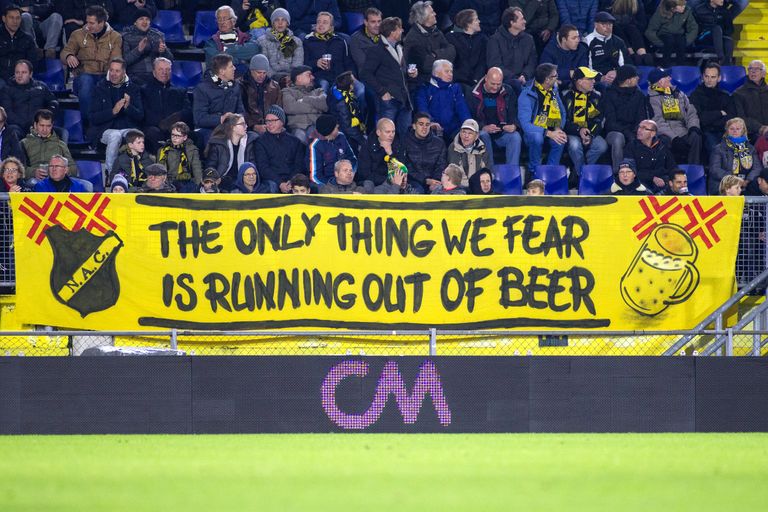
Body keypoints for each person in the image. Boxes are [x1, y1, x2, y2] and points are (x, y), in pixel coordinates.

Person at [61, 5, 122, 128]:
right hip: (84, 75)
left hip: (105, 75)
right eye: (87, 21)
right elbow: (65, 52)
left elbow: (116, 60)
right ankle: (88, 123)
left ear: (102, 23)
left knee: (109, 84)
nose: (88, 25)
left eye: (92, 23)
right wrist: (69, 56)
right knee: (86, 81)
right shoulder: (77, 34)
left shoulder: (115, 37)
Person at [360, 16, 417, 137]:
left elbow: (399, 72)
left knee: (405, 135)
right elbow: (365, 73)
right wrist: (382, 92)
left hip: (404, 99)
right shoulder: (376, 50)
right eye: (399, 28)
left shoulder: (400, 48)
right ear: (392, 32)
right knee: (385, 135)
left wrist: (410, 74)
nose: (402, 31)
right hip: (389, 101)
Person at [89, 57, 144, 174]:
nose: (113, 74)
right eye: (111, 70)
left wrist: (127, 107)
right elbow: (93, 118)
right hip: (105, 130)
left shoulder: (133, 89)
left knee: (136, 135)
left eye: (117, 71)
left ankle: (137, 174)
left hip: (127, 128)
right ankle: (110, 174)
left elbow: (140, 116)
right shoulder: (100, 88)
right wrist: (113, 111)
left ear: (124, 72)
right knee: (115, 135)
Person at [518, 63, 567, 176]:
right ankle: (533, 172)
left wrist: (558, 128)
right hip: (532, 132)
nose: (557, 77)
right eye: (555, 76)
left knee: (560, 138)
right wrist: (547, 132)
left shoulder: (553, 90)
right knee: (537, 137)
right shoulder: (527, 94)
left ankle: (550, 172)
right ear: (547, 80)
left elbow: (562, 112)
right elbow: (525, 125)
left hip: (550, 127)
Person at [467, 67, 521, 167]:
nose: (495, 87)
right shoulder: (472, 93)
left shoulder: (508, 91)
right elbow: (469, 119)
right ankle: (490, 172)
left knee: (515, 137)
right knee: (483, 134)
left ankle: (512, 174)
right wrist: (483, 127)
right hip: (482, 133)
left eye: (498, 84)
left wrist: (514, 125)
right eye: (493, 84)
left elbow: (515, 112)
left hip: (502, 133)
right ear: (486, 79)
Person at [647, 67, 702, 165]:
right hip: (666, 134)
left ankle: (693, 168)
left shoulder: (678, 93)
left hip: (683, 130)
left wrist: (693, 127)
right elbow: (658, 122)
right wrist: (674, 138)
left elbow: (691, 112)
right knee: (664, 141)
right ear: (659, 82)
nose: (670, 78)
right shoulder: (652, 99)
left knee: (696, 136)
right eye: (666, 77)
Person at [602, 65, 651, 169]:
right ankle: (618, 172)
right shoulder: (609, 94)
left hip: (633, 130)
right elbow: (610, 122)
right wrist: (626, 132)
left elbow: (641, 118)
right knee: (618, 139)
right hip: (614, 131)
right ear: (628, 81)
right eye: (635, 76)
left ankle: (644, 173)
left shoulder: (639, 95)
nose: (638, 78)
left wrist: (636, 132)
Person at [562, 66, 608, 176]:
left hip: (590, 132)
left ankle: (579, 173)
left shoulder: (598, 96)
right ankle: (583, 176)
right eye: (590, 79)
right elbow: (563, 120)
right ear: (579, 81)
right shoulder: (564, 95)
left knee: (601, 146)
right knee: (574, 145)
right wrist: (579, 130)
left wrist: (589, 134)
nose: (594, 81)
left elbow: (600, 120)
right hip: (571, 132)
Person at [140, 57, 193, 153]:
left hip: (176, 128)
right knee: (153, 133)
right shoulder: (144, 90)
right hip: (154, 128)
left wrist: (172, 121)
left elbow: (187, 111)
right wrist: (161, 124)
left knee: (196, 136)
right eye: (160, 69)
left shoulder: (180, 90)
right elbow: (144, 113)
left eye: (167, 69)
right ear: (154, 72)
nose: (164, 72)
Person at [0, 60, 57, 141]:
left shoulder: (41, 87)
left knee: (61, 132)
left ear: (30, 74)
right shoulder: (7, 89)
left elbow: (53, 102)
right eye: (17, 72)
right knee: (12, 131)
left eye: (23, 72)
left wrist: (45, 118)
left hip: (39, 126)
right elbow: (7, 113)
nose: (20, 75)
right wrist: (27, 124)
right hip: (18, 127)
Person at [690, 62, 737, 160]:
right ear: (703, 77)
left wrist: (712, 119)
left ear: (719, 78)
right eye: (707, 76)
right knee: (716, 150)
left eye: (713, 77)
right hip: (706, 132)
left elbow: (732, 117)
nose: (709, 80)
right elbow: (700, 118)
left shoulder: (725, 95)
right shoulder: (696, 95)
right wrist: (720, 113)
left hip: (725, 131)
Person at [414, 59, 471, 141]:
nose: (450, 74)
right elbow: (422, 109)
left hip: (454, 129)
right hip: (433, 129)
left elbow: (462, 109)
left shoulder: (456, 88)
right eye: (447, 71)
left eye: (451, 72)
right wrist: (430, 122)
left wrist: (468, 125)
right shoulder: (425, 88)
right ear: (436, 73)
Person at [254, 105, 306, 193]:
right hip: (272, 180)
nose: (269, 124)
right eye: (267, 121)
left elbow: (298, 165)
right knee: (271, 186)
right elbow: (263, 167)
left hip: (292, 179)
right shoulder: (260, 141)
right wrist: (280, 183)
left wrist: (291, 181)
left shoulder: (295, 141)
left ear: (282, 122)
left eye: (273, 120)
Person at [403, 1, 456, 87]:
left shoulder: (436, 31)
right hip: (425, 84)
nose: (435, 14)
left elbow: (452, 50)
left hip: (442, 79)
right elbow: (426, 65)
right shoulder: (413, 38)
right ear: (423, 17)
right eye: (432, 12)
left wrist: (435, 55)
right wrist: (443, 57)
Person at [302, 12, 355, 94]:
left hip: (340, 77)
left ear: (331, 27)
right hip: (319, 77)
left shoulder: (340, 41)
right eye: (319, 22)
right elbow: (304, 64)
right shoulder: (308, 41)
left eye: (325, 22)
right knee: (324, 85)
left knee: (360, 88)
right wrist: (316, 63)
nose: (321, 24)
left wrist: (352, 75)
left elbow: (348, 62)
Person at [204, 113, 259, 192]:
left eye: (245, 124)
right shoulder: (218, 145)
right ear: (232, 127)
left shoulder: (249, 143)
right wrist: (213, 179)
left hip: (243, 181)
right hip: (222, 181)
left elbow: (252, 166)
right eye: (242, 124)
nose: (246, 126)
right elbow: (210, 167)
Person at [193, 53, 246, 131]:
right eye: (231, 67)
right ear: (222, 71)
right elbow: (199, 118)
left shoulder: (235, 87)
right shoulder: (202, 89)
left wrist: (237, 117)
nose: (234, 68)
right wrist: (221, 119)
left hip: (231, 128)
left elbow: (241, 111)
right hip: (209, 129)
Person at [120, 7, 173, 85]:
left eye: (147, 19)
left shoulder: (157, 35)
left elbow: (170, 60)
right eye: (141, 19)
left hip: (155, 75)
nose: (145, 22)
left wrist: (164, 51)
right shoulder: (126, 37)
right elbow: (124, 62)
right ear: (135, 22)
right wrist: (138, 50)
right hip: (135, 76)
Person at [709, 117, 761, 194]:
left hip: (745, 184)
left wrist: (747, 180)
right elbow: (714, 169)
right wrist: (734, 180)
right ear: (727, 131)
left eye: (738, 129)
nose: (734, 131)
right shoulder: (719, 148)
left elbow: (757, 168)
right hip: (724, 184)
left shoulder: (750, 148)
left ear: (743, 131)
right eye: (731, 129)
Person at [486, 7, 536, 87]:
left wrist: (524, 75)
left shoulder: (529, 39)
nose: (525, 21)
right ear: (512, 22)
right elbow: (495, 65)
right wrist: (515, 78)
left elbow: (532, 62)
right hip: (504, 82)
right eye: (522, 19)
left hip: (526, 80)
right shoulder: (495, 40)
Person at [22, 109, 77, 179]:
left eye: (48, 126)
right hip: (36, 179)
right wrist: (33, 172)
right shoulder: (24, 143)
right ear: (35, 125)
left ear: (52, 126)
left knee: (88, 186)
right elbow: (18, 168)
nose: (45, 129)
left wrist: (63, 171)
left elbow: (73, 169)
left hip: (58, 179)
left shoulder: (60, 144)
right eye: (42, 125)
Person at [624, 119, 676, 192]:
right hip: (641, 182)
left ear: (653, 133)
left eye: (644, 128)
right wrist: (652, 178)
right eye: (639, 127)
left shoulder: (662, 147)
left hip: (662, 181)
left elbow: (672, 167)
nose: (639, 130)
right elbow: (629, 171)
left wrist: (666, 180)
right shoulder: (631, 147)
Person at [204, 5, 260, 73]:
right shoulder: (211, 42)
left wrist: (227, 50)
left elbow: (255, 49)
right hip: (220, 78)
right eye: (219, 19)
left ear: (233, 21)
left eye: (225, 19)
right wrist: (240, 60)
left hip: (243, 79)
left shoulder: (245, 37)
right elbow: (218, 62)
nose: (222, 22)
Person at [357, 117, 412, 186]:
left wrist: (390, 153)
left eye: (393, 131)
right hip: (374, 185)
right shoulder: (367, 146)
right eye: (388, 132)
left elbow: (402, 171)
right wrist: (388, 180)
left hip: (395, 184)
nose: (391, 135)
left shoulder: (398, 144)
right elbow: (364, 174)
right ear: (378, 132)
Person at [307, 113, 357, 186]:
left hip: (347, 179)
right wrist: (333, 185)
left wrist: (350, 173)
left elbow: (353, 159)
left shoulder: (341, 136)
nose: (338, 127)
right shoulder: (315, 146)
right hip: (328, 185)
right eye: (336, 127)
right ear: (330, 131)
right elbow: (315, 177)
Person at [645, 0, 698, 68]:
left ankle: (681, 68)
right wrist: (660, 43)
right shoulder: (661, 12)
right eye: (681, 6)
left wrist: (687, 41)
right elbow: (650, 31)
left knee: (681, 41)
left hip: (678, 36)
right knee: (669, 40)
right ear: (673, 7)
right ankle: (665, 67)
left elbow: (693, 28)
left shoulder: (687, 11)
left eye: (684, 5)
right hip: (664, 36)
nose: (683, 7)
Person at [256, 8, 303, 84]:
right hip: (270, 79)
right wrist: (276, 78)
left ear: (287, 23)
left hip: (291, 79)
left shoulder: (296, 41)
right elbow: (264, 65)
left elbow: (297, 64)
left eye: (283, 20)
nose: (280, 23)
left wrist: (291, 78)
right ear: (272, 23)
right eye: (277, 20)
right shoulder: (262, 41)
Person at [283, 65, 327, 142]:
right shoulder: (287, 91)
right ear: (299, 78)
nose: (313, 77)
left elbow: (325, 104)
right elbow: (290, 107)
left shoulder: (318, 91)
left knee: (319, 139)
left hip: (316, 126)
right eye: (309, 75)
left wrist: (306, 99)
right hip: (297, 128)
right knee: (299, 138)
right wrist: (317, 108)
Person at [239, 53, 282, 135]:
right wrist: (253, 126)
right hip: (249, 128)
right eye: (259, 72)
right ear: (251, 70)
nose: (262, 76)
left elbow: (278, 110)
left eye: (264, 73)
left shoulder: (274, 87)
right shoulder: (241, 86)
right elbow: (241, 111)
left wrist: (272, 125)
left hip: (271, 127)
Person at [403, 111, 445, 193]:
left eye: (427, 125)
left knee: (439, 192)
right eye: (421, 124)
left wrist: (435, 180)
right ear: (414, 126)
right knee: (417, 192)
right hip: (412, 181)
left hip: (434, 181)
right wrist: (425, 180)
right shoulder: (405, 142)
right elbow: (406, 167)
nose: (424, 127)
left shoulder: (439, 143)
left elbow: (441, 165)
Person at [444, 9, 487, 87]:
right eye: (476, 19)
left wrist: (476, 78)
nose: (479, 21)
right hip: (458, 80)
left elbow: (482, 62)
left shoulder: (483, 39)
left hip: (478, 80)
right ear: (468, 24)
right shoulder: (451, 38)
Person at [157, 121, 203, 193]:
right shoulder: (163, 150)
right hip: (168, 182)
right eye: (173, 135)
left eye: (178, 136)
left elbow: (197, 169)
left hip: (186, 182)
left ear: (185, 137)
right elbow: (159, 170)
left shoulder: (192, 150)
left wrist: (198, 185)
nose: (174, 138)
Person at [583, 11, 628, 86]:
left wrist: (617, 72)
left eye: (610, 25)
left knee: (633, 85)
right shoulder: (587, 41)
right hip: (596, 79)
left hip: (617, 76)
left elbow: (625, 62)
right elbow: (586, 66)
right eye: (604, 25)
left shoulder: (618, 41)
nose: (608, 28)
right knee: (607, 87)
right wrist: (601, 77)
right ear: (596, 25)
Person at [539, 24, 589, 90]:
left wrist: (566, 78)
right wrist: (569, 73)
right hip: (557, 86)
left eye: (578, 37)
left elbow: (582, 71)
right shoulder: (549, 50)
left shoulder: (581, 49)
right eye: (574, 38)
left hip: (575, 85)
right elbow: (545, 73)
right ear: (564, 39)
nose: (577, 40)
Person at [327, 71, 365, 152]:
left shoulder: (336, 89)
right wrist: (363, 141)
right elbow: (347, 126)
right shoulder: (341, 103)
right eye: (353, 80)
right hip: (347, 137)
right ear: (350, 86)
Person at [0, 5, 37, 85]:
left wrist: (20, 76)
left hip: (20, 79)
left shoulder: (27, 39)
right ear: (4, 19)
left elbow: (32, 63)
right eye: (11, 18)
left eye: (17, 18)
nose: (15, 21)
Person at [447, 118, 489, 188]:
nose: (466, 136)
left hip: (478, 186)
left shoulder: (482, 149)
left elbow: (486, 171)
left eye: (470, 133)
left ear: (476, 136)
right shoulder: (453, 147)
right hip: (459, 187)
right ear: (460, 133)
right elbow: (454, 172)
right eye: (464, 132)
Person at [610, 0, 653, 66]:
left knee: (632, 29)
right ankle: (631, 54)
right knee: (617, 29)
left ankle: (643, 55)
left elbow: (642, 23)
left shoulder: (638, 3)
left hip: (631, 27)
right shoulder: (610, 2)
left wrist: (632, 22)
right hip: (615, 28)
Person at [734, 60, 768, 140]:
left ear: (764, 73)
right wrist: (760, 128)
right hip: (752, 132)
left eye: (757, 69)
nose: (753, 71)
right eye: (750, 69)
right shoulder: (739, 93)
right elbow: (741, 118)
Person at [693, 0, 735, 66]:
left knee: (728, 40)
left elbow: (730, 29)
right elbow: (694, 28)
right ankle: (721, 58)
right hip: (703, 36)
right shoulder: (699, 9)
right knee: (716, 28)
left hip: (719, 37)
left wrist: (723, 34)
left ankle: (727, 65)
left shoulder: (724, 11)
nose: (722, 0)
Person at [349, 7, 382, 72]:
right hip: (368, 76)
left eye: (379, 21)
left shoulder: (385, 35)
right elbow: (363, 64)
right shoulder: (356, 39)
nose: (377, 25)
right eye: (373, 22)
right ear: (365, 22)